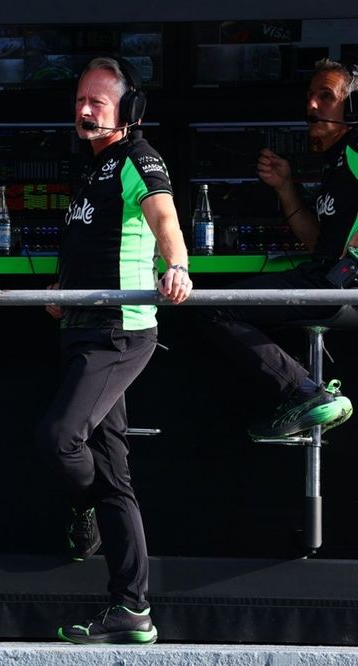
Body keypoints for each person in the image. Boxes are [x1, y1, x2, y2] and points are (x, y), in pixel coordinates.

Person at [39, 57, 192, 645]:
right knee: (114, 477)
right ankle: (132, 610)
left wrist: (176, 264)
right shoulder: (94, 166)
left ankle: (84, 507)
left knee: (59, 439)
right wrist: (59, 292)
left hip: (118, 332)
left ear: (128, 111)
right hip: (82, 329)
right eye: (80, 99)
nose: (83, 110)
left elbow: (165, 220)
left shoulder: (136, 157)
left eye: (97, 103)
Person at [200, 58, 357, 439]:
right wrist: (286, 187)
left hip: (340, 286)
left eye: (326, 97)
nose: (313, 106)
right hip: (324, 278)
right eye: (310, 97)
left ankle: (306, 393)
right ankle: (307, 393)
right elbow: (317, 241)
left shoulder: (355, 148)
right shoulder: (335, 161)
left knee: (217, 307)